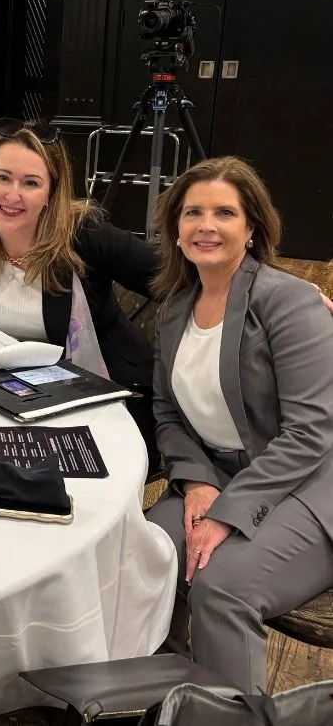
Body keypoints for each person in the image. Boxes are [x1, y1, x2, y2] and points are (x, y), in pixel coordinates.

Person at [145, 156, 333, 694]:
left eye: (225, 212)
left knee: (221, 587)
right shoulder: (176, 307)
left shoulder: (290, 302)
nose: (207, 225)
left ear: (251, 228)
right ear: (175, 228)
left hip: (309, 487)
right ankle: (172, 697)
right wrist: (198, 480)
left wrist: (226, 513)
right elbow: (168, 413)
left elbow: (309, 436)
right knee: (148, 553)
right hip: (220, 473)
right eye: (193, 212)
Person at [0, 119, 158, 404]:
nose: (13, 195)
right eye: (2, 177)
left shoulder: (86, 236)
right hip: (0, 396)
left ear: (51, 193)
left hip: (103, 389)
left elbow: (171, 279)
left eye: (31, 183)